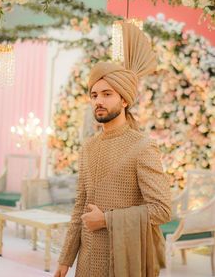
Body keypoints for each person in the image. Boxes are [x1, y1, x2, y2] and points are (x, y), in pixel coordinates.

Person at [54, 23, 171, 277]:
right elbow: (80, 207)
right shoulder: (88, 147)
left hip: (124, 261)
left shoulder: (143, 146)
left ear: (125, 99)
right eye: (94, 95)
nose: (99, 101)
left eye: (107, 94)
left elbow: (162, 210)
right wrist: (65, 260)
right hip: (87, 261)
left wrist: (107, 219)